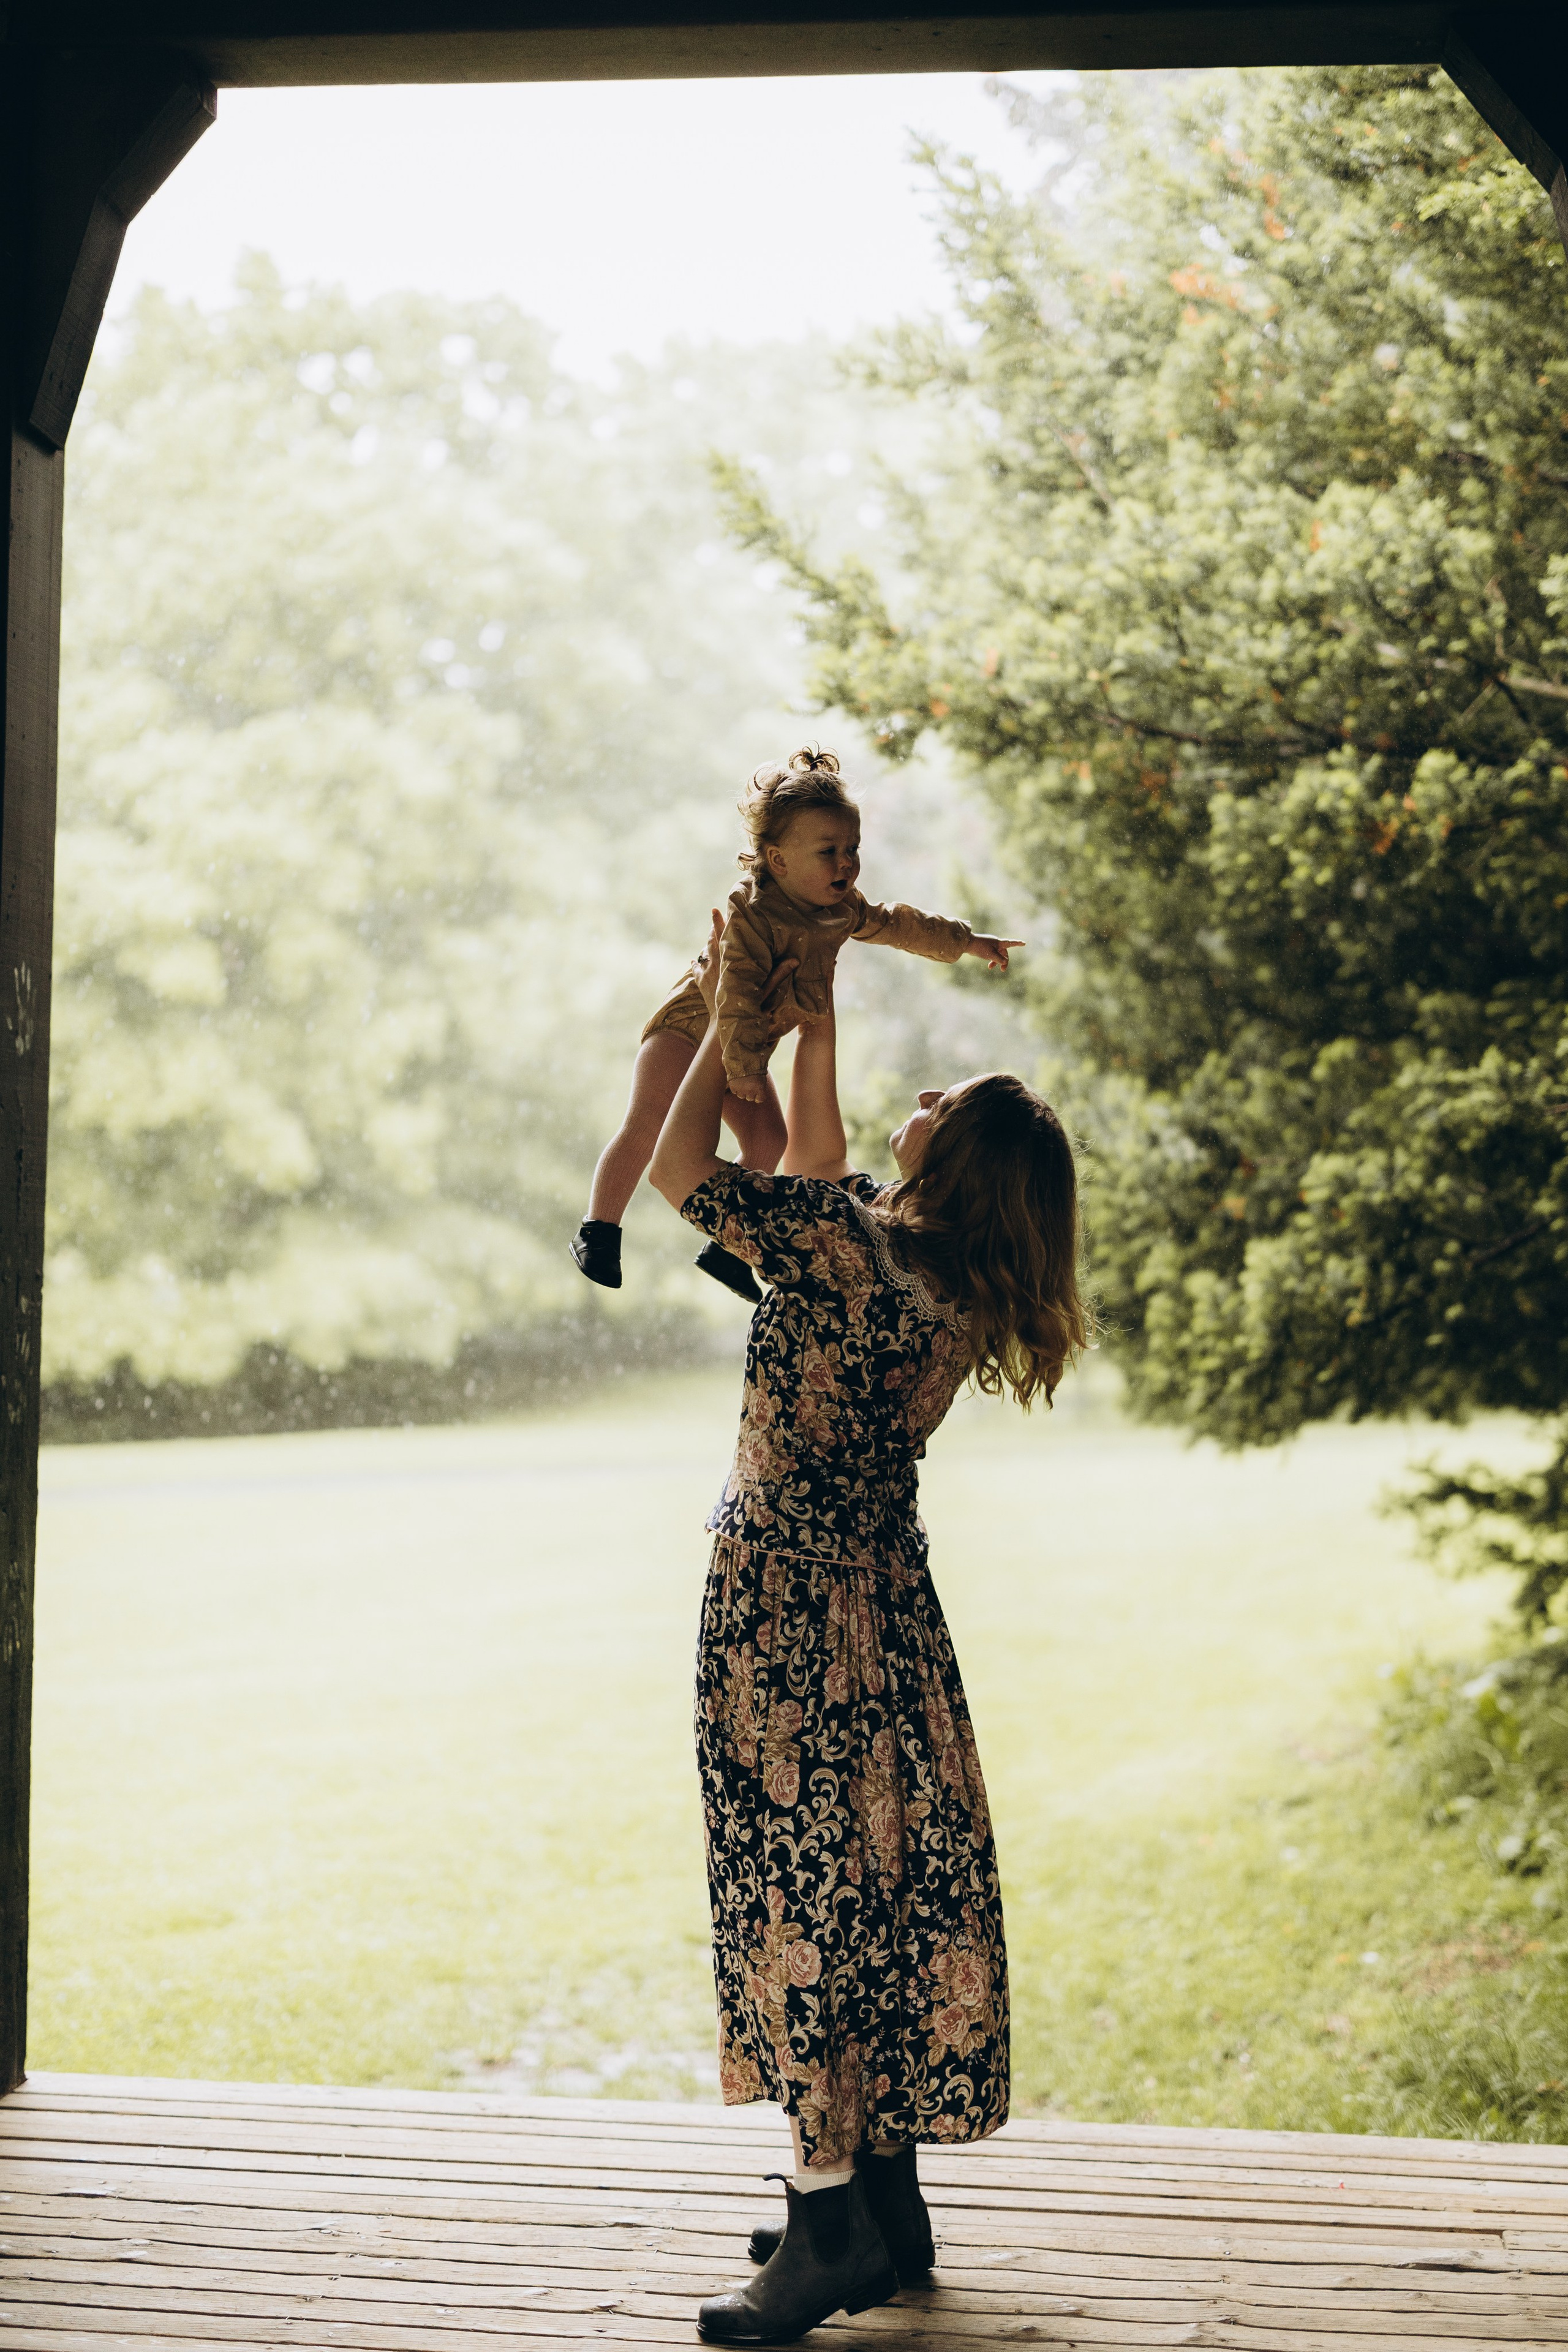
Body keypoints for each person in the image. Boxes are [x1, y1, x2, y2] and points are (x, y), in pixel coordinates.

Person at [649, 925, 1092, 2346]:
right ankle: (886, 2210)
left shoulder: (843, 1243)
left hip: (784, 1615)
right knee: (873, 1891)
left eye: (939, 1102)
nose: (919, 1098)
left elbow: (674, 1171)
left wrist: (714, 1023)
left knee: (796, 1900)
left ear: (948, 1155)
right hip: (890, 1619)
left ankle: (827, 2220)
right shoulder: (958, 1287)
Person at [571, 747, 1021, 1305]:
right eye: (828, 852)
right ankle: (599, 1231)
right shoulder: (753, 914)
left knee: (770, 1139)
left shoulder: (840, 910)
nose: (845, 864)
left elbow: (897, 924)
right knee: (647, 1124)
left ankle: (727, 1250)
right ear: (778, 861)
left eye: (852, 849)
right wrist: (743, 1070)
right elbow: (732, 996)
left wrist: (967, 942)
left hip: (745, 1047)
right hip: (691, 1030)